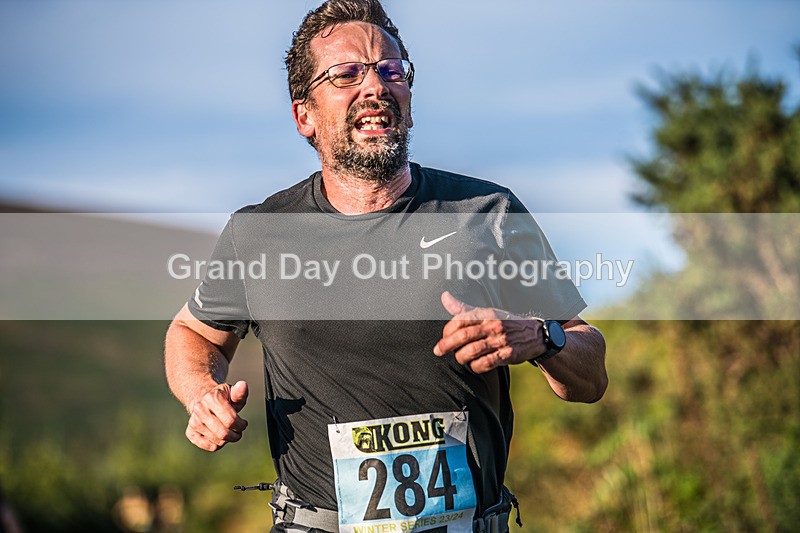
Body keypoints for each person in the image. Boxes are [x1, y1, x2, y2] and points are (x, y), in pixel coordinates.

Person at [164, 1, 607, 531]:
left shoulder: (487, 213)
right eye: (346, 74)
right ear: (304, 115)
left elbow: (591, 374)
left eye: (390, 71)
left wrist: (542, 336)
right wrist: (201, 394)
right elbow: (194, 333)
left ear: (409, 99)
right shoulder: (259, 233)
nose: (375, 86)